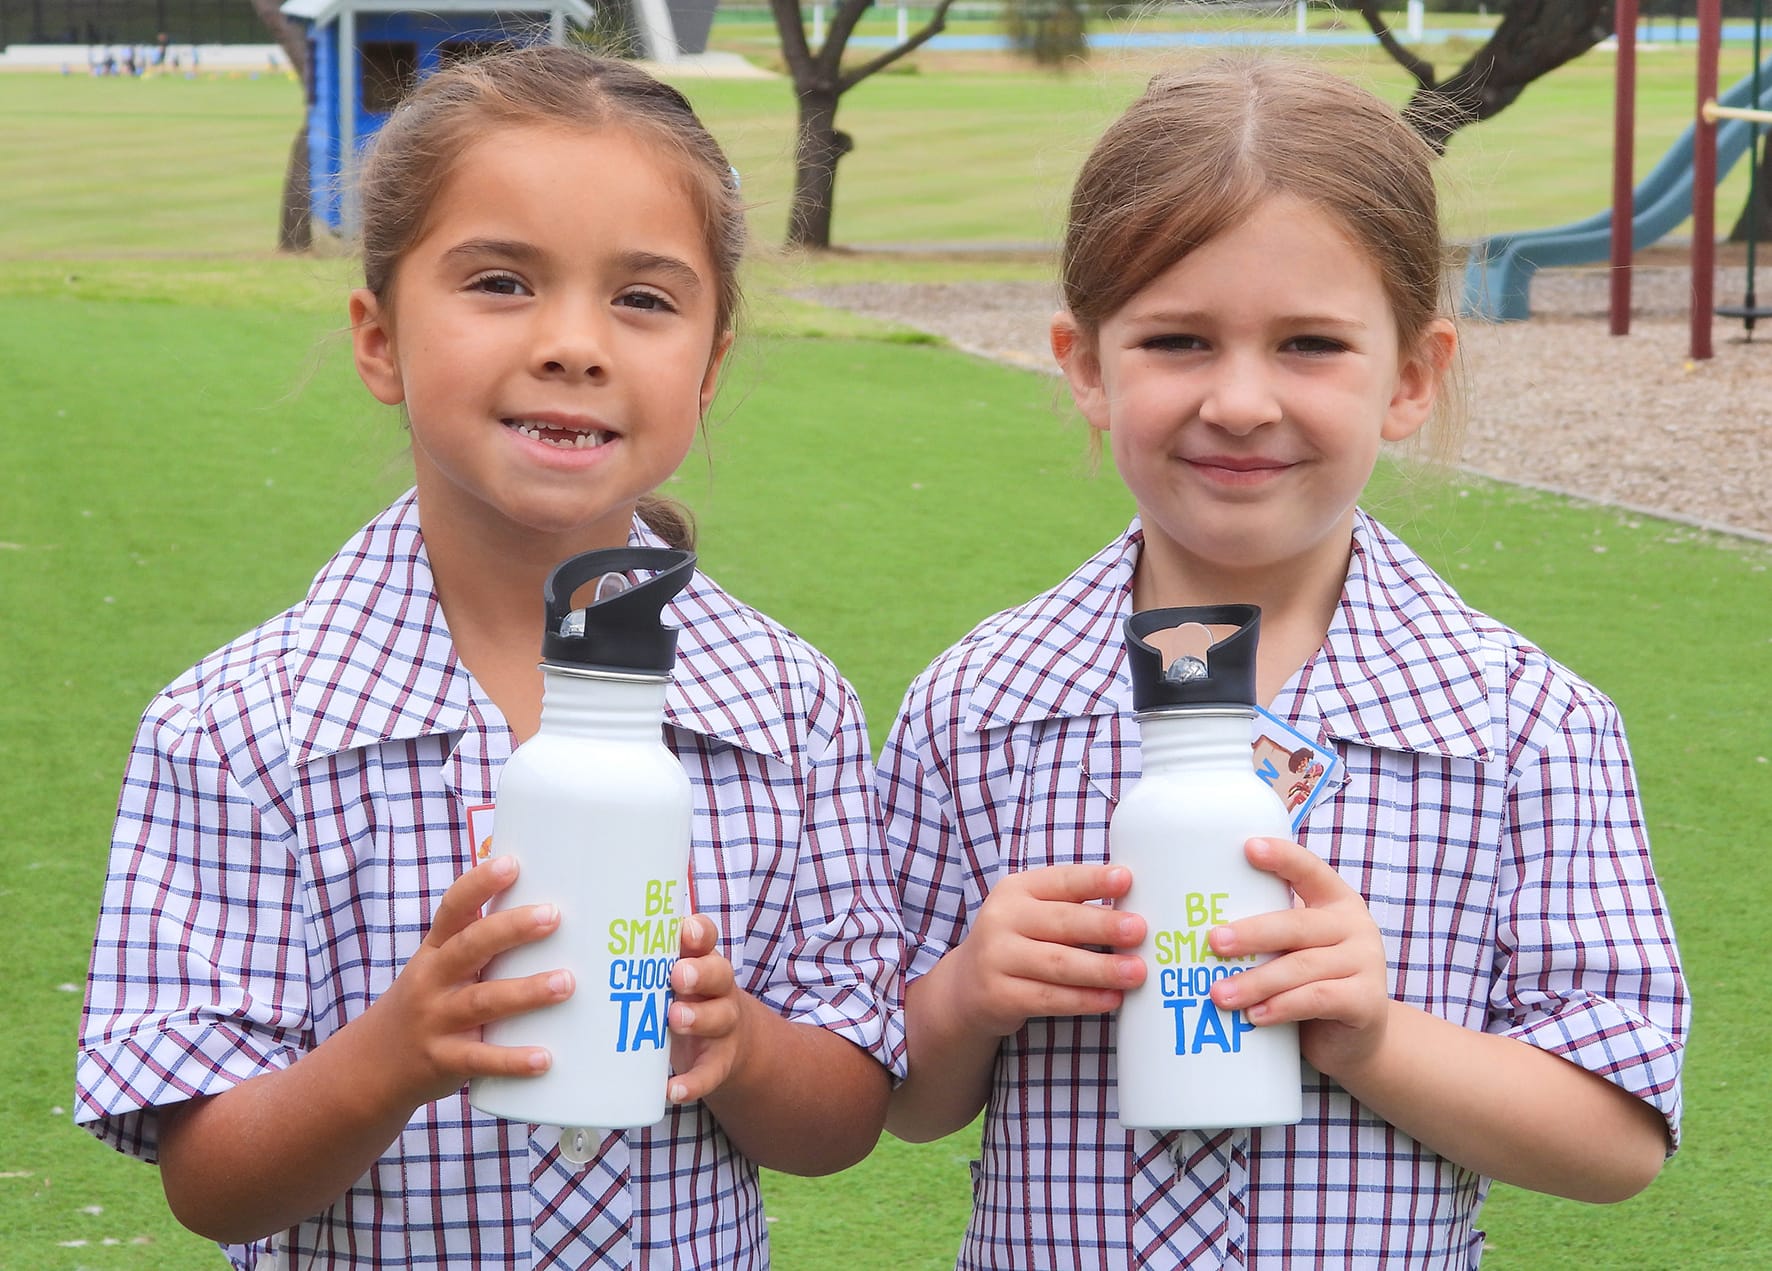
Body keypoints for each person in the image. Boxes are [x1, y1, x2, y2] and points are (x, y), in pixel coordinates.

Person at [77, 46, 903, 1270]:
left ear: (709, 367)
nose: (573, 343)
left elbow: (844, 1114)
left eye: (643, 298)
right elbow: (212, 1182)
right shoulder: (235, 725)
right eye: (502, 281)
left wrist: (739, 1043)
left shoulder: (791, 706)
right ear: (378, 340)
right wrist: (395, 1050)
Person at [878, 55, 1687, 1268]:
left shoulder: (1523, 721)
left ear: (1409, 376)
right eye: (1177, 340)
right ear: (1086, 364)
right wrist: (963, 993)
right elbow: (894, 1092)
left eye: (1308, 343)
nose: (1241, 400)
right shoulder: (982, 703)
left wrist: (1373, 1035)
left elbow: (1615, 1134)